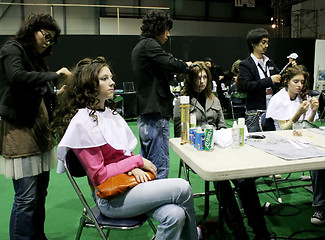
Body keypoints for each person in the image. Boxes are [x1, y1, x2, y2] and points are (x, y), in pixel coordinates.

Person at [53, 56, 215, 240]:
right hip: (109, 198)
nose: (112, 82)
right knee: (183, 187)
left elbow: (123, 153)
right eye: (104, 79)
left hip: (128, 186)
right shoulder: (83, 122)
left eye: (111, 77)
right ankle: (196, 236)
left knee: (174, 216)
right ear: (89, 85)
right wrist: (136, 161)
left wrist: (134, 167)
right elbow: (99, 175)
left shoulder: (109, 114)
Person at [174, 61, 272, 240]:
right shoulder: (183, 102)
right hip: (197, 152)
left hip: (219, 149)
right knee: (222, 182)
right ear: (190, 79)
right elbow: (178, 134)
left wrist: (221, 138)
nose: (201, 81)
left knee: (245, 180)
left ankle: (260, 230)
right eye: (197, 77)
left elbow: (222, 127)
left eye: (204, 77)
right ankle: (239, 232)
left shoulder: (214, 99)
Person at [0, 13, 71, 240]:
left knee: (40, 194)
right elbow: (17, 77)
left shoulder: (35, 58)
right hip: (20, 131)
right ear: (33, 30)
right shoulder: (12, 49)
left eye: (52, 39)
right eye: (46, 36)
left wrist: (56, 92)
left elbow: (40, 90)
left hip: (40, 131)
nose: (48, 42)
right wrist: (54, 75)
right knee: (26, 198)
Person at [131, 10, 192, 179]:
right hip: (155, 114)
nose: (168, 34)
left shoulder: (140, 47)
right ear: (157, 28)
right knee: (160, 166)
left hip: (147, 113)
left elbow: (160, 71)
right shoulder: (150, 45)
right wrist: (186, 66)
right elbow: (169, 62)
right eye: (166, 29)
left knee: (149, 166)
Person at [265, 65, 322, 226]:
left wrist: (311, 111)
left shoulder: (302, 98)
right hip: (283, 142)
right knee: (318, 159)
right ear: (287, 82)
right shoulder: (278, 99)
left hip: (302, 139)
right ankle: (320, 205)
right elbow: (283, 130)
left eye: (302, 82)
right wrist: (297, 114)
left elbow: (306, 126)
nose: (299, 85)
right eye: (295, 81)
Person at [238, 28, 281, 132]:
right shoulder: (246, 64)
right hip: (255, 111)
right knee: (254, 139)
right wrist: (269, 80)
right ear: (253, 43)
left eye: (267, 42)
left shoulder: (269, 62)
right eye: (263, 42)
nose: (266, 45)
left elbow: (279, 76)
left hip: (272, 108)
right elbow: (247, 85)